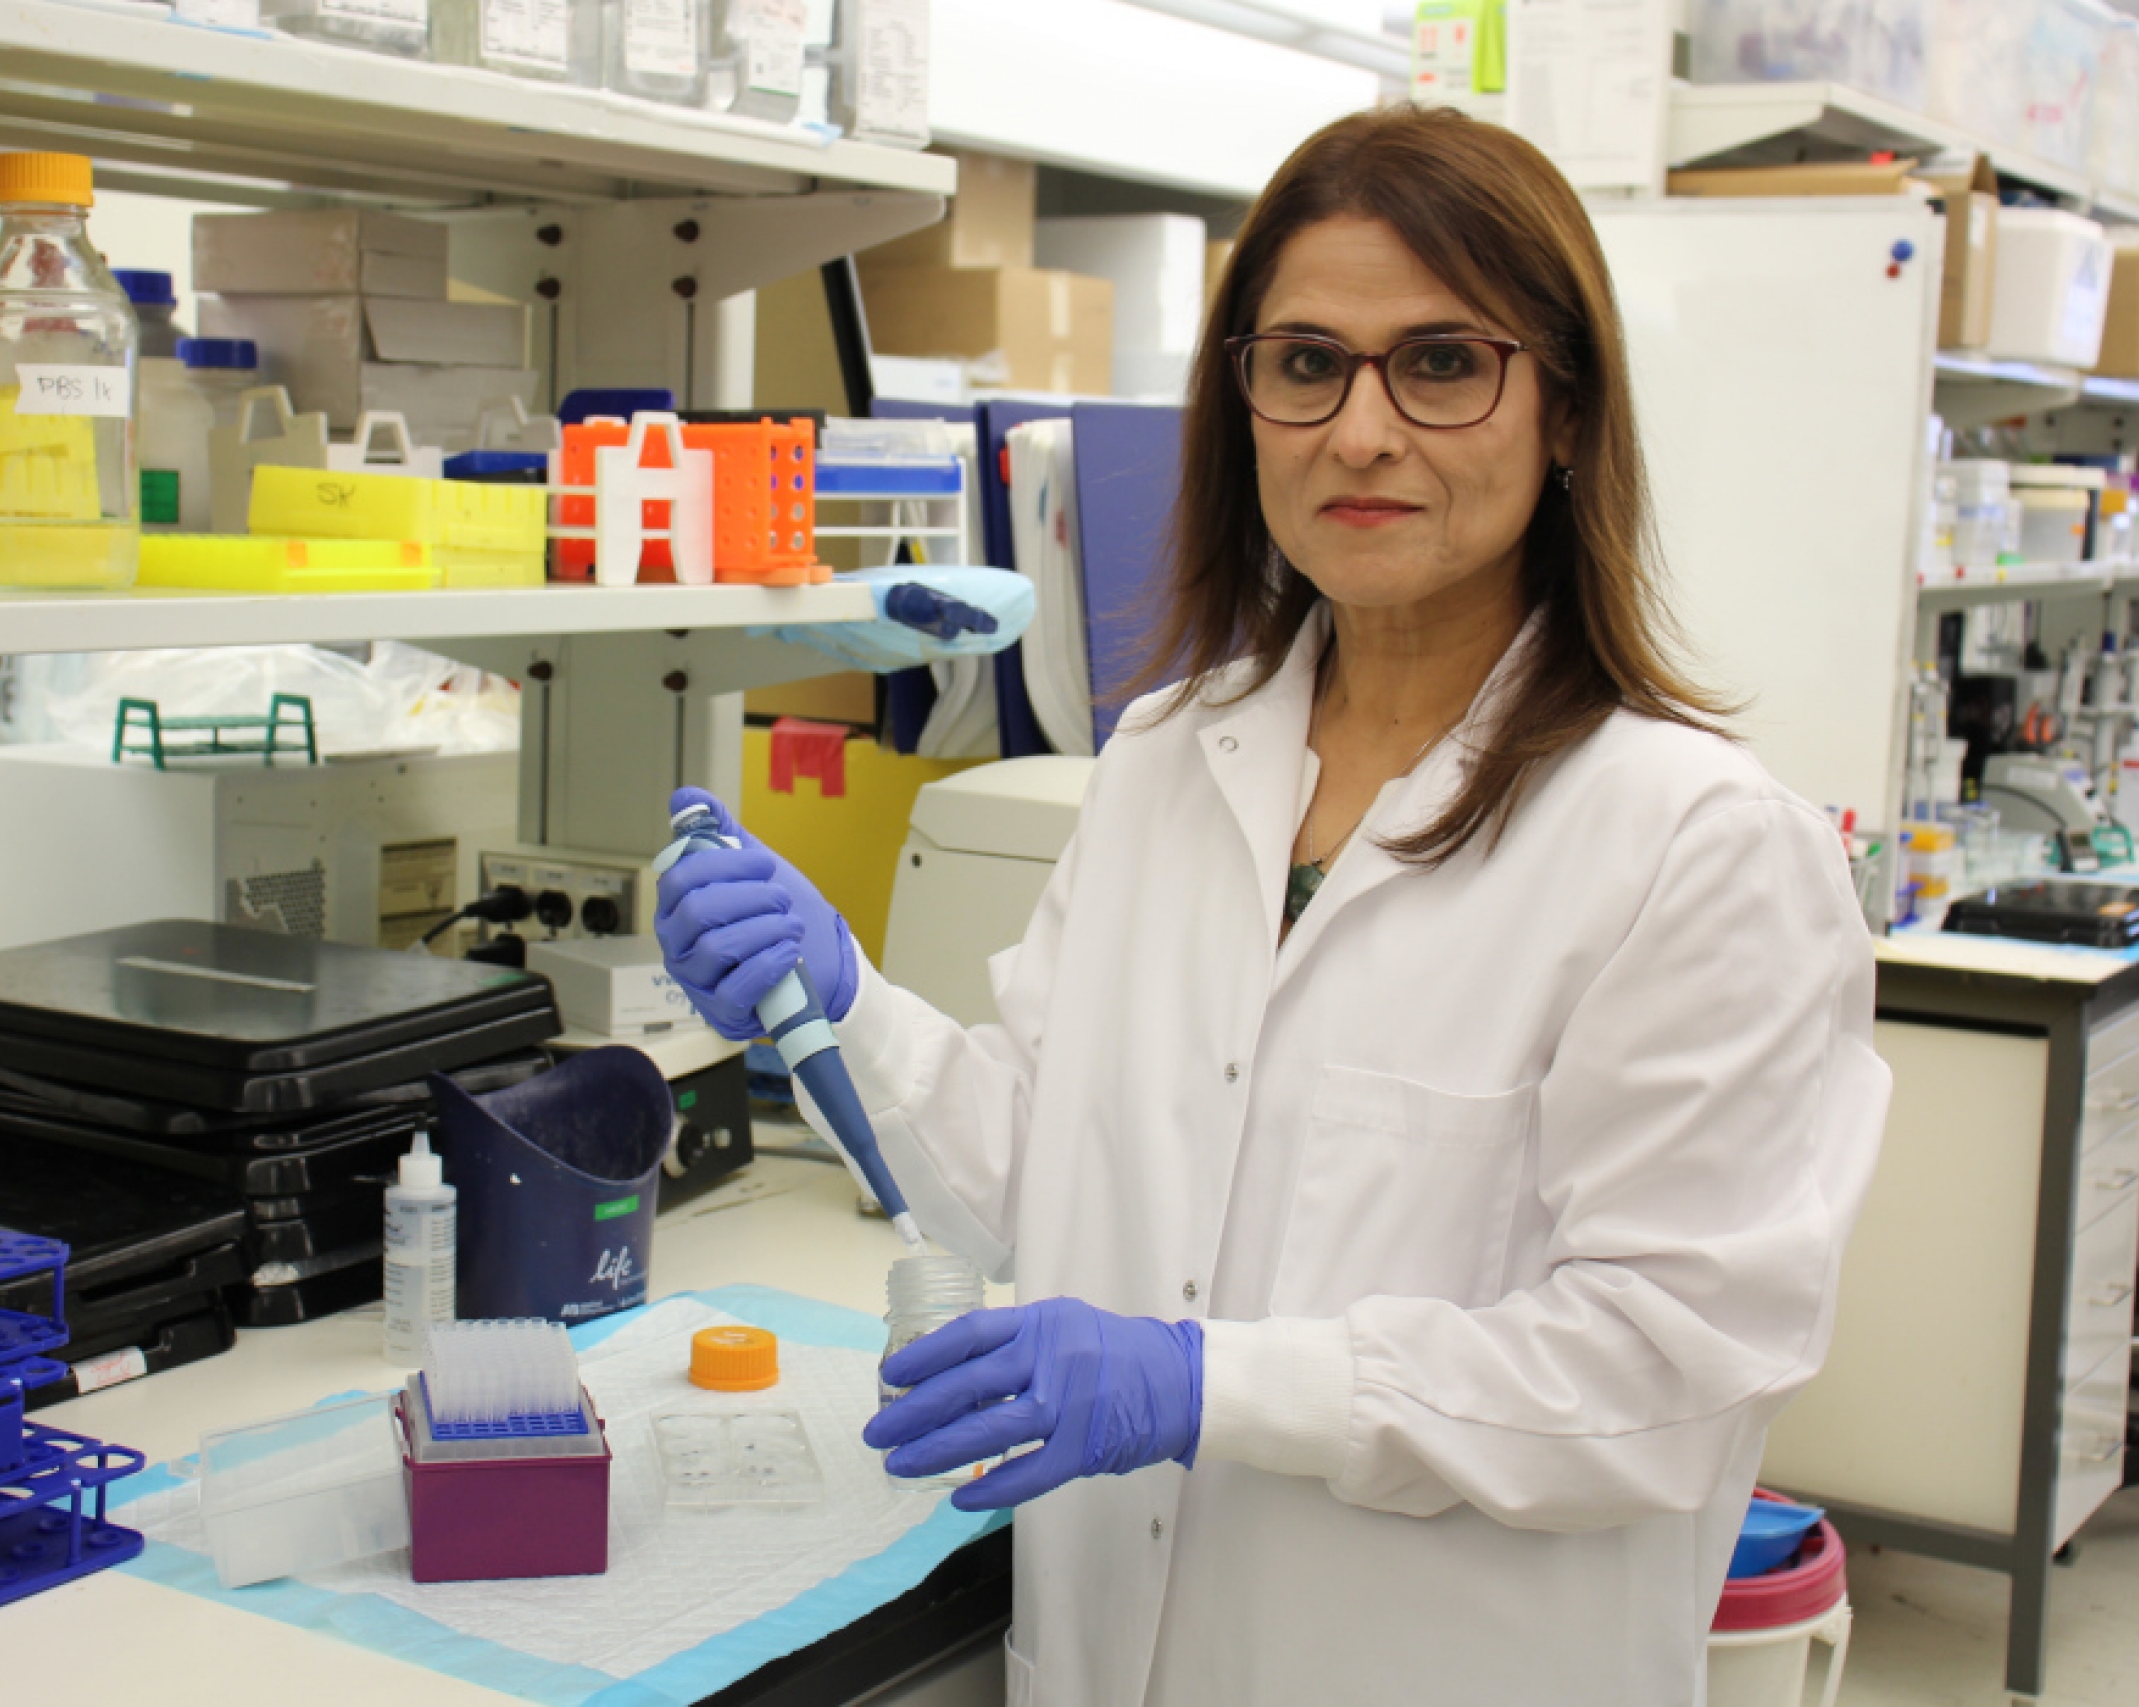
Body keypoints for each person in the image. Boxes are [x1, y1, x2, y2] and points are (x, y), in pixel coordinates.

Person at [656, 105, 1889, 1706]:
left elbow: (1662, 1379)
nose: (1359, 432)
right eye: (1305, 363)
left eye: (1442, 363)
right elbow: (1043, 1171)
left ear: (1568, 410)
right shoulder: (1171, 760)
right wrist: (844, 1004)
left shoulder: (1700, 848)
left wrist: (1205, 1385)